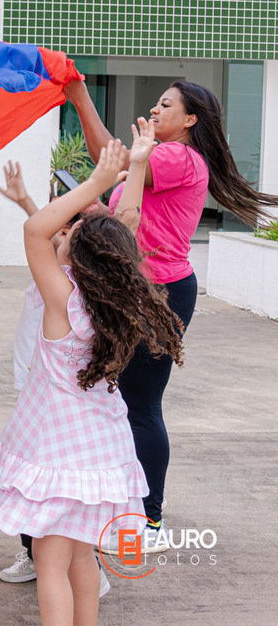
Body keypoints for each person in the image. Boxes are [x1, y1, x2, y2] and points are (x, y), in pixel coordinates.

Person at [0, 139, 184, 626]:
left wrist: (98, 182)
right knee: (81, 559)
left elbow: (35, 229)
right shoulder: (118, 300)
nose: (64, 231)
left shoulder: (64, 300)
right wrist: (134, 165)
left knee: (49, 563)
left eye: (72, 231)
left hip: (58, 451)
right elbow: (125, 224)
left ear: (79, 253)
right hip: (102, 448)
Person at [65, 77, 278, 543]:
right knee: (124, 401)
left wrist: (80, 97)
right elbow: (129, 214)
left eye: (166, 105)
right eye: (156, 103)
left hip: (159, 292)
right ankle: (127, 506)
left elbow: (110, 159)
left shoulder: (177, 156)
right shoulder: (163, 156)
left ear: (190, 119)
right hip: (134, 287)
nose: (155, 110)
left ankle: (149, 520)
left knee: (140, 405)